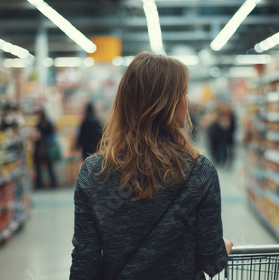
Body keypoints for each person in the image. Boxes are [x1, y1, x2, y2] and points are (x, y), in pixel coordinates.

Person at [70, 52, 233, 280]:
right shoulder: (199, 170)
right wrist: (222, 248)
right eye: (183, 94)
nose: (187, 101)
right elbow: (211, 262)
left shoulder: (94, 171)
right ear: (169, 105)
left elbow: (84, 262)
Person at [33, 108, 57, 189]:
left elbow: (37, 137)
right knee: (50, 167)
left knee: (38, 167)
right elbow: (53, 136)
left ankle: (39, 183)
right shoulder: (49, 124)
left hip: (39, 148)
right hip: (48, 148)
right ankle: (53, 183)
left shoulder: (38, 125)